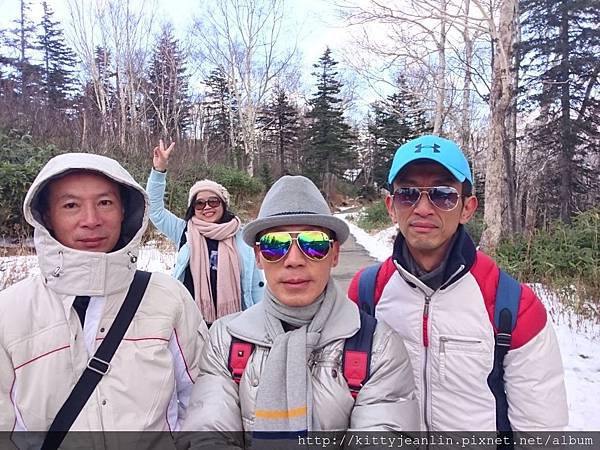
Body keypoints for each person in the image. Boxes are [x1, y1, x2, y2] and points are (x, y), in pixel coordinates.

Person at [348, 135, 568, 432]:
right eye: (408, 194)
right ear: (391, 206)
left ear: (467, 207)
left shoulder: (514, 307)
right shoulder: (365, 294)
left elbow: (542, 431)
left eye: (443, 194)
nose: (423, 208)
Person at [181, 175, 419, 446]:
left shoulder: (378, 347)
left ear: (335, 254)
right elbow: (207, 434)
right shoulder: (225, 341)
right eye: (274, 245)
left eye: (313, 243)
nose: (293, 260)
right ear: (258, 257)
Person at [0, 153, 208, 436]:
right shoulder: (9, 312)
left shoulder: (168, 298)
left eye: (105, 203)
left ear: (124, 210)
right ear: (46, 215)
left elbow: (201, 401)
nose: (91, 220)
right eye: (71, 205)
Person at [147, 140, 264, 326]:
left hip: (236, 323)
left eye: (213, 201)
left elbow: (256, 286)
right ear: (193, 208)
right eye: (199, 203)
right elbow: (155, 210)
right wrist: (159, 171)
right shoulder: (184, 231)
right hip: (193, 322)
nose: (207, 207)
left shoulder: (242, 236)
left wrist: (262, 321)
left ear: (223, 205)